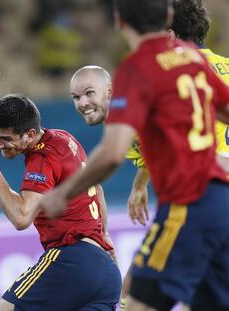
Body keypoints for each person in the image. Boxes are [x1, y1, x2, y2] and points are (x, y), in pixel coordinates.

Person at [37, 0, 229, 310]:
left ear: (120, 23)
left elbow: (112, 154)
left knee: (136, 300)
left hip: (189, 203)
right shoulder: (193, 60)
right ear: (166, 18)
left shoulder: (137, 70)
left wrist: (64, 193)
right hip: (221, 203)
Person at [123, 1, 229, 308]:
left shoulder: (179, 69)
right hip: (215, 199)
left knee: (137, 289)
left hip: (203, 195)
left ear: (169, 32)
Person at [0, 94, 121, 311]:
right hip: (105, 274)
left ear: (30, 134)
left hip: (73, 261)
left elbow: (22, 217)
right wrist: (105, 238)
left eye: (5, 138)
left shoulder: (42, 157)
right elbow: (96, 186)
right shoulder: (64, 138)